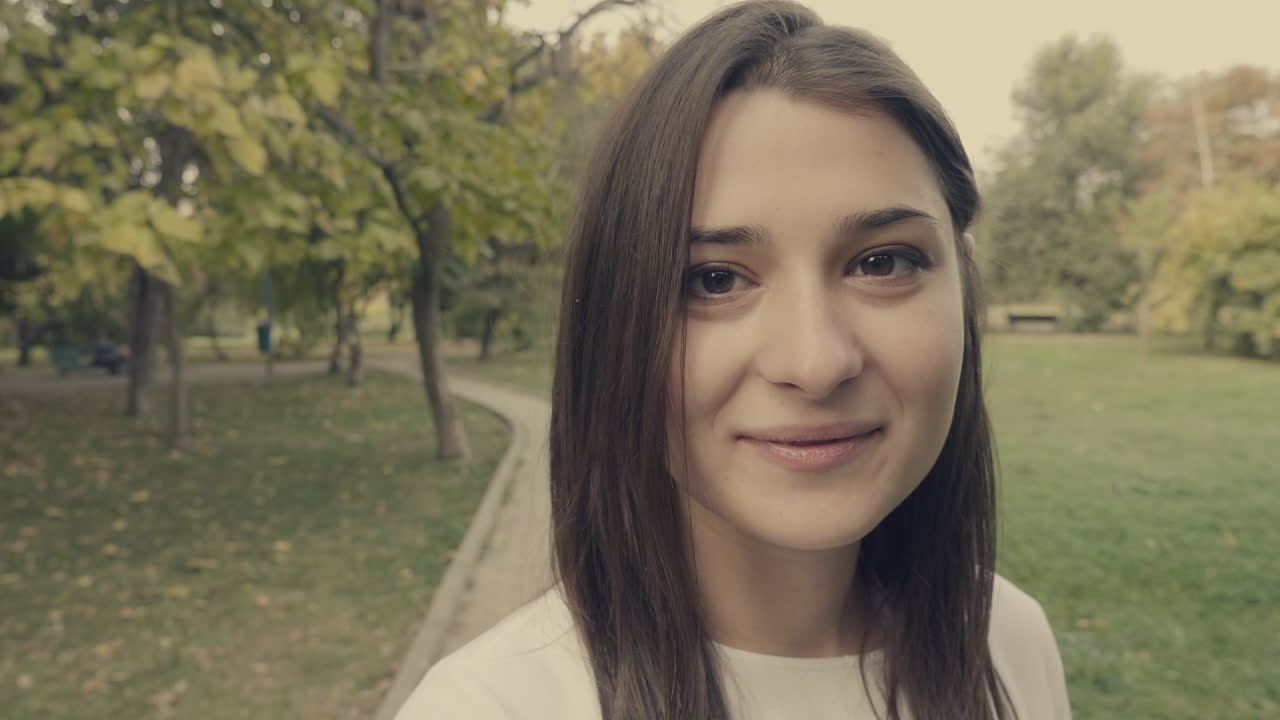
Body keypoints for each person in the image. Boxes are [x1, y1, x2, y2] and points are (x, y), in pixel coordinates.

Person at [396, 1, 1071, 718]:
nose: (815, 363)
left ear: (963, 281)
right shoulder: (485, 706)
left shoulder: (1007, 641)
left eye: (881, 262)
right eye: (713, 279)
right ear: (613, 322)